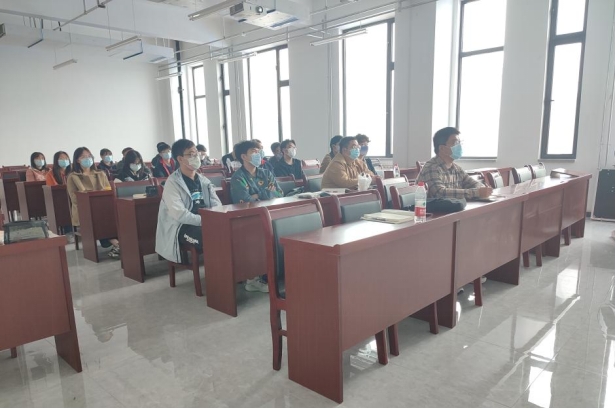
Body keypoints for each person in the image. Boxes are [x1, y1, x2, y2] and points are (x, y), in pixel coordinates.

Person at [155, 139, 222, 266]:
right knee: (212, 237)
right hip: (182, 226)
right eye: (191, 154)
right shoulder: (172, 183)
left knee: (230, 231)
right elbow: (180, 214)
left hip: (205, 221)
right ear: (180, 159)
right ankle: (218, 274)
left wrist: (214, 218)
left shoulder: (204, 180)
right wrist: (206, 220)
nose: (196, 156)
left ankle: (231, 273)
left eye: (196, 153)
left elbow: (216, 203)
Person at [230, 140, 283, 293]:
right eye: (254, 151)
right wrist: (266, 192)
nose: (258, 154)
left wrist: (257, 195)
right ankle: (253, 279)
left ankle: (277, 271)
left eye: (259, 151)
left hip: (270, 213)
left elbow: (280, 193)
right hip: (249, 219)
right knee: (259, 235)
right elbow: (244, 201)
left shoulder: (266, 173)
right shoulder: (238, 177)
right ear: (243, 156)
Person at [67, 147, 120, 258]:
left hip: (102, 207)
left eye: (89, 156)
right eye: (83, 156)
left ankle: (119, 244)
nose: (87, 158)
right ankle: (117, 244)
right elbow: (74, 198)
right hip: (83, 210)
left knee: (113, 215)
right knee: (98, 218)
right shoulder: (73, 176)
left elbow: (108, 190)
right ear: (77, 160)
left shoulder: (100, 173)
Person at [417, 127, 493, 199]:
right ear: (442, 148)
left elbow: (473, 183)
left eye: (459, 142)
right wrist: (476, 192)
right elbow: (440, 193)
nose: (459, 146)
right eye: (455, 142)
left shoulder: (456, 168)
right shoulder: (432, 168)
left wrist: (482, 189)